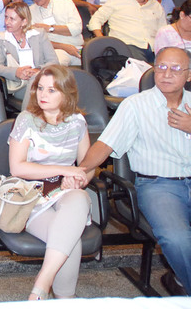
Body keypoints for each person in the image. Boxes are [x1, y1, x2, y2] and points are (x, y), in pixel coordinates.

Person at [78, 46, 191, 296]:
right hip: (159, 186)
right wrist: (79, 171)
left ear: (189, 74)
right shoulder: (135, 105)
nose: (166, 74)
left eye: (175, 69)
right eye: (161, 67)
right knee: (177, 238)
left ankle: (180, 280)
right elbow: (105, 145)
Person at [8, 64, 94, 300]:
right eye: (40, 88)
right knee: (69, 238)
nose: (42, 95)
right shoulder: (26, 120)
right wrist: (64, 170)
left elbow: (87, 166)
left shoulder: (77, 121)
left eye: (51, 90)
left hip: (66, 192)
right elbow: (17, 168)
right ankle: (65, 299)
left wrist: (77, 179)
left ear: (67, 93)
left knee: (79, 197)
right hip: (32, 195)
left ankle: (41, 287)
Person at [88, 0, 167, 62]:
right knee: (141, 66)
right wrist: (102, 40)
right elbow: (95, 20)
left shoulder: (155, 5)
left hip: (154, 48)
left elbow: (164, 31)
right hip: (127, 47)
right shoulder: (117, 0)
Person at [0, 2, 59, 99]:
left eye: (12, 19)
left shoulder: (38, 34)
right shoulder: (1, 38)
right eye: (6, 17)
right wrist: (16, 72)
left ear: (24, 22)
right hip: (20, 85)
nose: (7, 22)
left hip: (41, 80)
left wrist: (37, 71)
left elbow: (54, 62)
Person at [29, 0, 84, 66]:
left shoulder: (66, 3)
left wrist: (50, 28)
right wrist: (64, 47)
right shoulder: (31, 11)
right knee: (55, 64)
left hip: (77, 48)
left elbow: (77, 28)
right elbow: (37, 41)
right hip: (54, 51)